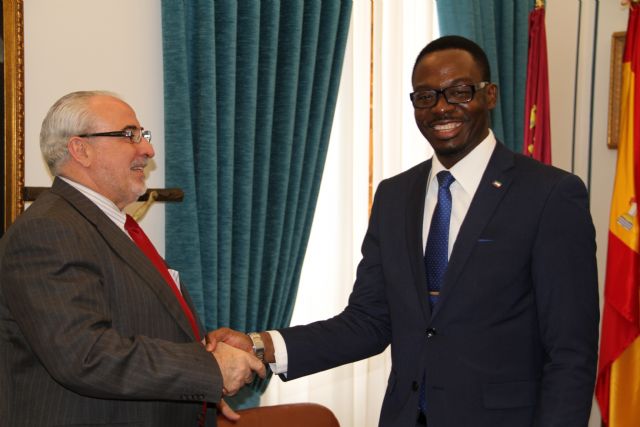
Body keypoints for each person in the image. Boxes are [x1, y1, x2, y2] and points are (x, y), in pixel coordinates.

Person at [210, 35, 600, 426]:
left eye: (459, 91)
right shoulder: (395, 196)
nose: (442, 107)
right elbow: (368, 321)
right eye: (426, 96)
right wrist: (260, 346)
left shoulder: (549, 195)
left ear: (490, 95)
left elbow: (571, 353)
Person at [0, 91, 266, 427]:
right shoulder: (48, 230)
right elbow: (84, 354)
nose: (148, 150)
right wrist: (208, 369)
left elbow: (137, 326)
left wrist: (204, 360)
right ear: (80, 149)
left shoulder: (108, 225)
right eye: (130, 135)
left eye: (144, 135)